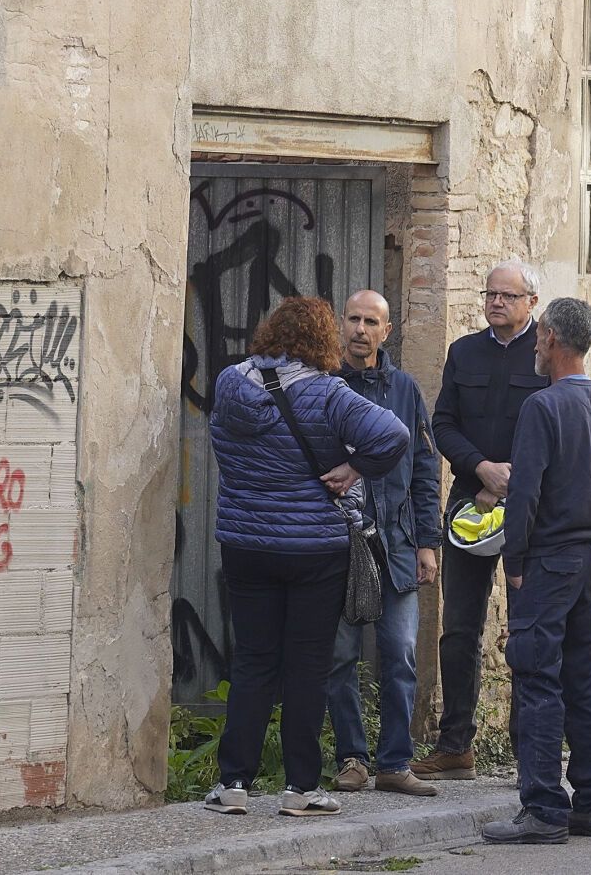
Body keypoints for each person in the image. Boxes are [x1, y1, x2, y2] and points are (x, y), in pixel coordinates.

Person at [203, 296, 411, 818]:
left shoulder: (229, 384)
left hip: (246, 544)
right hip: (314, 549)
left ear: (269, 333)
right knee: (307, 665)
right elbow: (394, 435)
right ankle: (300, 788)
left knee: (253, 660)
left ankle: (233, 783)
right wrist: (356, 468)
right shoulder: (328, 393)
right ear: (323, 340)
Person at [479, 297, 591, 845]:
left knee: (537, 676)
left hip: (546, 559)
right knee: (583, 677)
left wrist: (515, 560)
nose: (535, 346)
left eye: (539, 336)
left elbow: (525, 493)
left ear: (552, 339)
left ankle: (543, 808)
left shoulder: (542, 407)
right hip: (585, 558)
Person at [414, 260, 549, 781]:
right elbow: (442, 424)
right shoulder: (464, 352)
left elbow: (556, 425)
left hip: (529, 508)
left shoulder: (547, 354)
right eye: (490, 294)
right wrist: (481, 468)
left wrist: (513, 478)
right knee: (459, 628)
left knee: (526, 627)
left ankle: (526, 749)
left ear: (531, 303)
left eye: (507, 296)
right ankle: (455, 746)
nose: (496, 302)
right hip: (470, 504)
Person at [325, 289, 444, 798]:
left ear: (386, 331)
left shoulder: (404, 389)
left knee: (400, 654)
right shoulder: (325, 385)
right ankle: (352, 758)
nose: (360, 329)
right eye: (353, 319)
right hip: (340, 543)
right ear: (341, 324)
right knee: (339, 657)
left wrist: (427, 543)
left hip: (396, 543)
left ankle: (395, 762)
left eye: (371, 322)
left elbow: (425, 469)